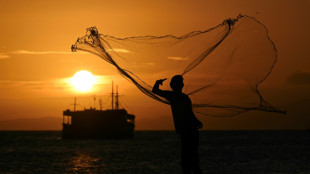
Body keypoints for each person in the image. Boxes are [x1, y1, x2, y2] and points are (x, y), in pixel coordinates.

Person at [152, 75, 203, 174]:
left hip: (188, 132)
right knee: (192, 160)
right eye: (181, 82)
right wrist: (197, 121)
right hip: (190, 132)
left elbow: (155, 90)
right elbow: (190, 113)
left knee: (188, 162)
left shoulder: (173, 96)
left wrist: (158, 82)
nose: (182, 84)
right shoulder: (184, 97)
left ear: (172, 85)